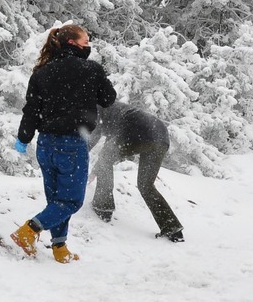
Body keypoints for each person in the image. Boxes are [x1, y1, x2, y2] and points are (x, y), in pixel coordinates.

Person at [10, 24, 116, 263]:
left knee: (56, 200)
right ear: (72, 44)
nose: (89, 47)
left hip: (46, 145)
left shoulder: (42, 72)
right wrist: (96, 78)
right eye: (86, 43)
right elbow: (109, 98)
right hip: (72, 145)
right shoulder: (91, 70)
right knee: (71, 201)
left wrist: (23, 138)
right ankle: (29, 231)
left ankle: (59, 248)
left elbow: (31, 110)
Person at [89, 102, 184, 242]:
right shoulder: (114, 111)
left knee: (105, 158)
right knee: (146, 185)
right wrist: (95, 171)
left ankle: (103, 207)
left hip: (137, 132)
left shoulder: (95, 108)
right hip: (160, 137)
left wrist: (74, 161)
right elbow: (108, 144)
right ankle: (172, 228)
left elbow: (94, 138)